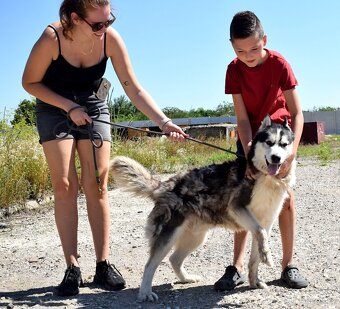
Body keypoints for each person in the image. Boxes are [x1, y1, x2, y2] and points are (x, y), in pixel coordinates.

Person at [22, 0, 187, 296]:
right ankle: (71, 268)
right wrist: (69, 106)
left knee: (97, 183)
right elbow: (30, 82)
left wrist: (164, 122)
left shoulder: (110, 38)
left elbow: (133, 88)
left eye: (108, 21)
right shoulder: (52, 38)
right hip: (54, 105)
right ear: (74, 18)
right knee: (63, 185)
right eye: (97, 24)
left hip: (93, 104)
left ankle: (102, 265)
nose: (105, 29)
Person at [213, 11, 308, 291]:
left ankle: (288, 265)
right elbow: (242, 119)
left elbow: (298, 112)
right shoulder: (233, 70)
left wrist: (291, 152)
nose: (248, 55)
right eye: (240, 50)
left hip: (279, 140)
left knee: (286, 200)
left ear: (264, 40)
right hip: (251, 141)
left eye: (254, 48)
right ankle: (238, 266)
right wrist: (248, 154)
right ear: (231, 45)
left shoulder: (279, 64)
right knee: (244, 197)